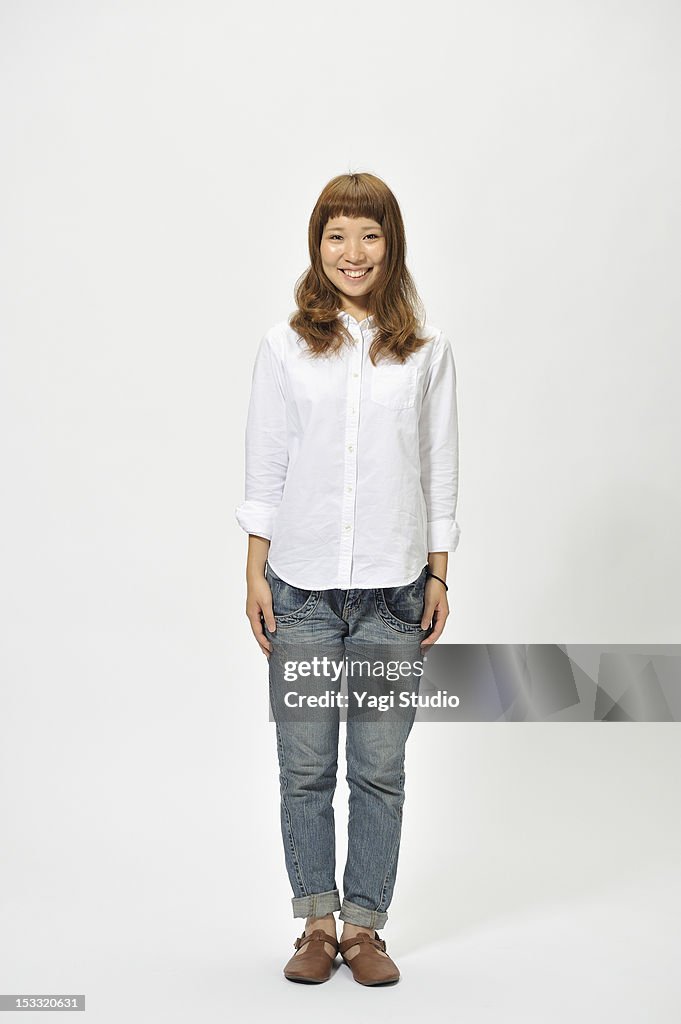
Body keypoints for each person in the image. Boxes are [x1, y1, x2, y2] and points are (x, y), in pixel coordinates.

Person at [235, 171, 461, 985]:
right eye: (336, 235)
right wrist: (255, 573)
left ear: (390, 244)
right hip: (297, 590)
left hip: (393, 594)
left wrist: (437, 574)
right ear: (316, 244)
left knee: (377, 769)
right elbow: (266, 464)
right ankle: (315, 923)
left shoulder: (427, 350)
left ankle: (365, 928)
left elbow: (439, 466)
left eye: (368, 235)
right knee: (303, 768)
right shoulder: (285, 344)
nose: (352, 252)